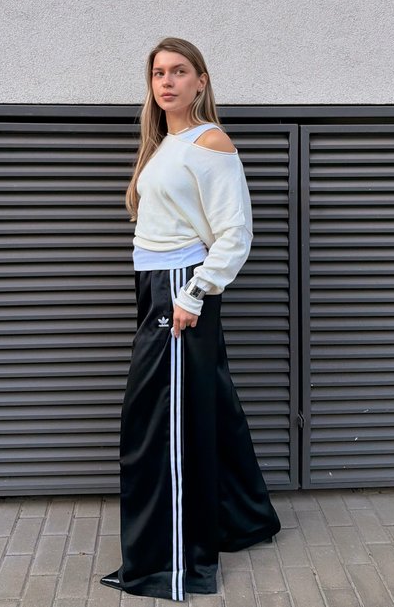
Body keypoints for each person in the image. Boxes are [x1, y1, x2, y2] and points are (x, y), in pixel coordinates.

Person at [100, 37, 281, 601]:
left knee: (159, 429)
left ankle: (169, 564)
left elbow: (236, 232)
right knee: (207, 405)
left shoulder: (210, 142)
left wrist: (196, 293)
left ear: (201, 81)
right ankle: (243, 520)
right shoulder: (164, 145)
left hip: (181, 289)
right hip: (157, 285)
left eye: (180, 71)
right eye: (158, 73)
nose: (168, 81)